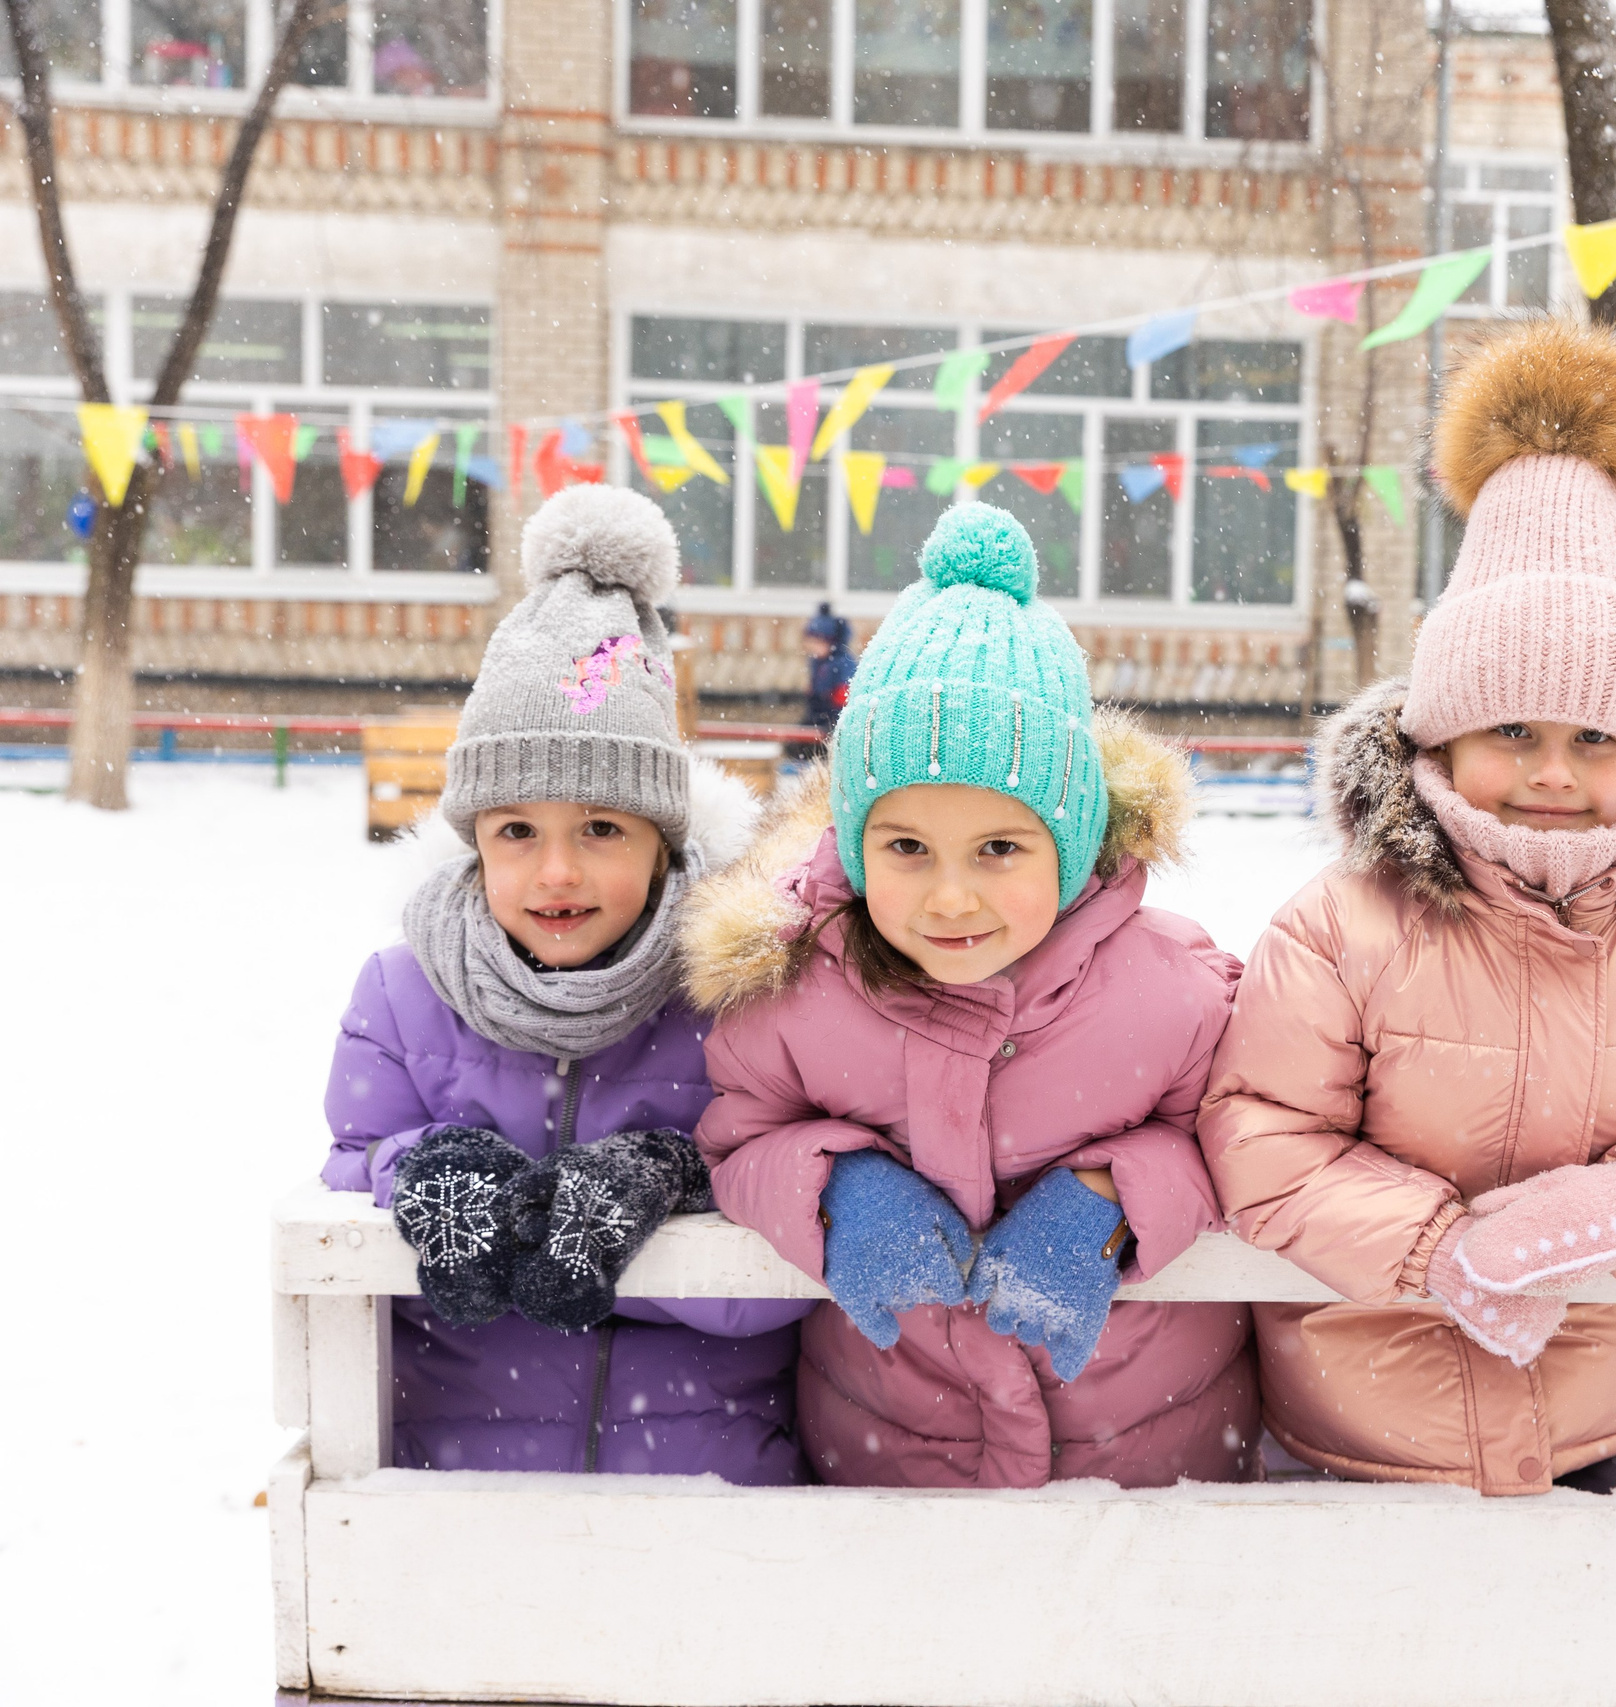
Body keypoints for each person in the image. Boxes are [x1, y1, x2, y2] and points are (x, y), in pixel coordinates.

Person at [1199, 320, 1616, 1497]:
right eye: (1512, 733)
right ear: (1443, 730)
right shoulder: (1344, 927)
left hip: (1601, 1437)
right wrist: (1441, 1250)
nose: (1550, 773)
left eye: (1593, 738)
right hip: (1353, 1438)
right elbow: (1260, 1138)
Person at [680, 502, 1256, 1489]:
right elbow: (737, 1142)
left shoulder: (1172, 991)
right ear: (857, 842)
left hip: (1147, 1456)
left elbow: (1238, 1138)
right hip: (895, 1452)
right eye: (906, 848)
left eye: (1000, 849)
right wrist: (832, 1186)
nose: (951, 897)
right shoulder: (795, 991)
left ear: (1071, 844)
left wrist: (1114, 1195)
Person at [322, 483, 810, 1483]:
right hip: (461, 1481)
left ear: (663, 842)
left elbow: (790, 1268)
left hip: (707, 1480)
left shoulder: (734, 997)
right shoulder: (403, 997)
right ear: (473, 844)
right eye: (517, 832)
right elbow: (351, 1178)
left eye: (600, 829)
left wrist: (678, 1187)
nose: (557, 873)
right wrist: (420, 1167)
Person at [795, 603, 858, 759]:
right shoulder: (818, 663)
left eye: (818, 642)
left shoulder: (843, 665)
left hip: (834, 724)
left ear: (831, 642)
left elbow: (843, 704)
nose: (813, 647)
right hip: (817, 721)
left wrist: (827, 726)